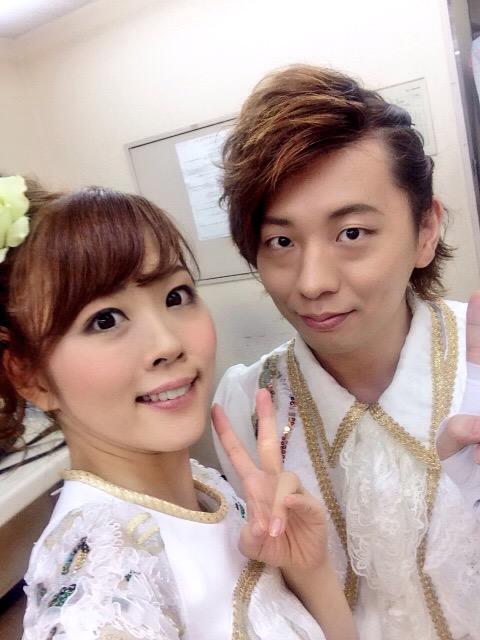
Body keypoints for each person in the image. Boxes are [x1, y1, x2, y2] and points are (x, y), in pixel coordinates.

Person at [0, 175, 356, 639]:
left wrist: (309, 571)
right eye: (105, 320)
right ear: (29, 376)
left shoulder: (205, 487)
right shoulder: (101, 593)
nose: (168, 343)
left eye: (176, 296)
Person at [213, 65, 480, 640]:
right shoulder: (248, 405)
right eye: (281, 241)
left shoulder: (474, 361)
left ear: (425, 231)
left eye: (351, 233)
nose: (312, 283)